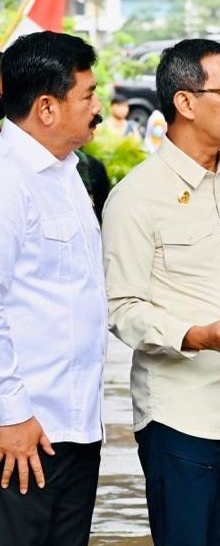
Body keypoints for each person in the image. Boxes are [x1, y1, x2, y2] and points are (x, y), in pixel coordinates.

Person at [102, 39, 220, 546]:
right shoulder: (136, 197)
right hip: (180, 418)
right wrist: (197, 336)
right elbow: (123, 309)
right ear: (185, 103)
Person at [0, 31, 106, 546]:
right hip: (25, 432)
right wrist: (10, 414)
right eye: (87, 95)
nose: (98, 107)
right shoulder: (8, 179)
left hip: (76, 425)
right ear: (46, 107)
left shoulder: (67, 173)